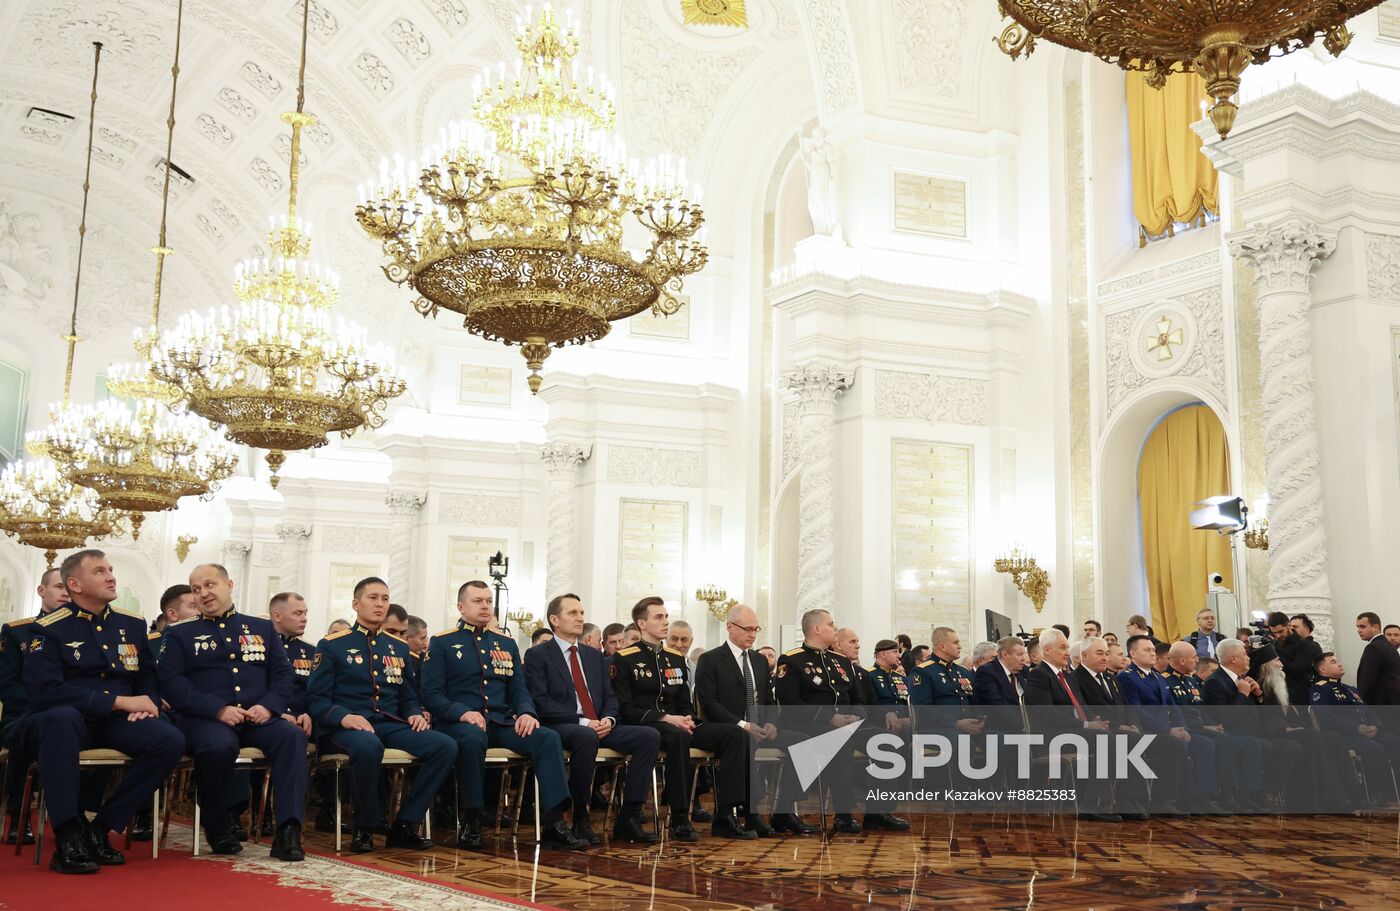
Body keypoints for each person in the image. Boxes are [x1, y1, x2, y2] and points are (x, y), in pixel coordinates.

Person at [24, 550, 185, 874]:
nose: (111, 576)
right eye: (99, 571)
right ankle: (68, 834)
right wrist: (122, 703)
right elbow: (47, 691)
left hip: (117, 723)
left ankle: (101, 829)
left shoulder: (131, 623)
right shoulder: (47, 629)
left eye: (110, 569)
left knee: (169, 739)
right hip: (70, 722)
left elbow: (147, 675)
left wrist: (148, 703)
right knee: (61, 717)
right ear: (75, 584)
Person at [423, 580, 586, 851]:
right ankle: (472, 819)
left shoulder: (505, 644)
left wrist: (526, 713)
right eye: (478, 601)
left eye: (488, 600)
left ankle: (554, 822)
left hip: (500, 721)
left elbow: (519, 689)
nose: (485, 605)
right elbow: (431, 694)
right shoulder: (443, 643)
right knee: (472, 738)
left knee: (546, 737)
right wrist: (461, 713)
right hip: (458, 723)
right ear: (461, 607)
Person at [159, 564, 307, 860]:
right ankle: (217, 824)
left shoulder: (261, 628)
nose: (203, 593)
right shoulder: (179, 634)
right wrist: (216, 710)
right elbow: (172, 684)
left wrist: (269, 706)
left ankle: (288, 830)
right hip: (206, 719)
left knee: (291, 736)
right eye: (196, 589)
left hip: (257, 716)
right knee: (217, 745)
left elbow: (283, 674)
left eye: (210, 585)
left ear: (229, 584)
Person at [306, 577, 456, 853]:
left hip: (388, 723)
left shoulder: (397, 647)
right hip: (345, 728)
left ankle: (405, 823)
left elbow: (408, 696)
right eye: (373, 598)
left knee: (444, 746)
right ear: (355, 603)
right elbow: (316, 700)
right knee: (368, 746)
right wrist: (344, 717)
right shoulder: (332, 645)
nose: (380, 604)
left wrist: (414, 714)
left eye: (385, 598)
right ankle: (365, 827)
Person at [611, 597, 753, 841]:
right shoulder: (625, 658)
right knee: (677, 736)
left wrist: (687, 718)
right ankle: (679, 817)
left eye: (666, 616)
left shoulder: (674, 658)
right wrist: (668, 718)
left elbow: (685, 702)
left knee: (735, 734)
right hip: (647, 724)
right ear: (642, 624)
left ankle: (726, 815)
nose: (665, 622)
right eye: (659, 617)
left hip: (679, 723)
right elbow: (626, 709)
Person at [524, 593, 660, 845]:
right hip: (563, 724)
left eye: (582, 613)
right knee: (585, 736)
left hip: (599, 724)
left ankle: (629, 816)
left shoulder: (593, 656)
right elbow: (541, 702)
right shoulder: (539, 655)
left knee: (649, 736)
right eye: (572, 613)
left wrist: (609, 718)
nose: (580, 618)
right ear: (554, 619)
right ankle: (580, 815)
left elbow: (609, 696)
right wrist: (584, 722)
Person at [774, 609, 907, 834]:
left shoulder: (841, 661)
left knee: (887, 742)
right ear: (817, 628)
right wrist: (830, 717)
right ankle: (843, 815)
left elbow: (858, 698)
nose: (834, 628)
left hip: (847, 724)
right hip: (809, 724)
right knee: (840, 741)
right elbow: (789, 703)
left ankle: (878, 812)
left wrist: (855, 715)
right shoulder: (792, 659)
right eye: (831, 624)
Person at [692, 603, 790, 837]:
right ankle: (733, 814)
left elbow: (767, 698)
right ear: (730, 627)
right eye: (747, 629)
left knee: (801, 740)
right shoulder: (711, 659)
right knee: (741, 738)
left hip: (759, 728)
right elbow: (709, 704)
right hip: (726, 729)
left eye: (756, 629)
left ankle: (785, 811)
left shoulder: (758, 661)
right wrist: (744, 725)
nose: (753, 635)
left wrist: (771, 724)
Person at [0, 567, 71, 845]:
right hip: (25, 713)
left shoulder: (83, 633)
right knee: (24, 735)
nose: (66, 593)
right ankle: (19, 817)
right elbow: (6, 683)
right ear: (42, 591)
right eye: (58, 587)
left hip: (69, 714)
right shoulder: (18, 632)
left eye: (70, 587)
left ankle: (77, 815)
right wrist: (41, 707)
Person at [1116, 635, 1201, 816]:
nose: (1153, 653)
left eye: (1153, 650)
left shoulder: (1158, 677)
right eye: (1147, 650)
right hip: (1146, 731)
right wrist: (1169, 730)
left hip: (1165, 730)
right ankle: (1162, 800)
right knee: (1173, 744)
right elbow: (1137, 711)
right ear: (1133, 654)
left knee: (1196, 743)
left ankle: (1190, 799)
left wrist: (1182, 728)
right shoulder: (1127, 677)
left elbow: (1173, 707)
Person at [1311, 651, 1400, 805]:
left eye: (1337, 660)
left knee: (1395, 742)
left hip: (1368, 732)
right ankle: (1377, 794)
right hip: (1347, 735)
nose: (1339, 664)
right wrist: (1357, 728)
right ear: (1323, 670)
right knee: (1375, 749)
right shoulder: (1320, 689)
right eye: (1333, 662)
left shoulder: (1350, 689)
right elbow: (1327, 718)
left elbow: (1369, 711)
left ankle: (1396, 790)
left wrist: (1376, 726)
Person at [1276, 614, 1324, 706]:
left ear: (1306, 629)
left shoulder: (1312, 646)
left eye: (1295, 627)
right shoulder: (1290, 646)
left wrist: (1278, 656)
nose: (1291, 630)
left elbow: (1298, 669)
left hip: (1302, 694)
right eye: (1289, 627)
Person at [1355, 612, 1400, 705]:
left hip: (1379, 703)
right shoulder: (1389, 646)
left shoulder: (1374, 647)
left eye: (1362, 627)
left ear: (1375, 627)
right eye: (1358, 627)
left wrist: (1361, 702)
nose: (1359, 630)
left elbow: (1367, 681)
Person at [973, 637, 1026, 707]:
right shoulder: (987, 672)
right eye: (1019, 654)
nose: (1023, 659)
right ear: (1005, 654)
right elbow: (997, 705)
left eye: (1023, 654)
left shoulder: (1023, 670)